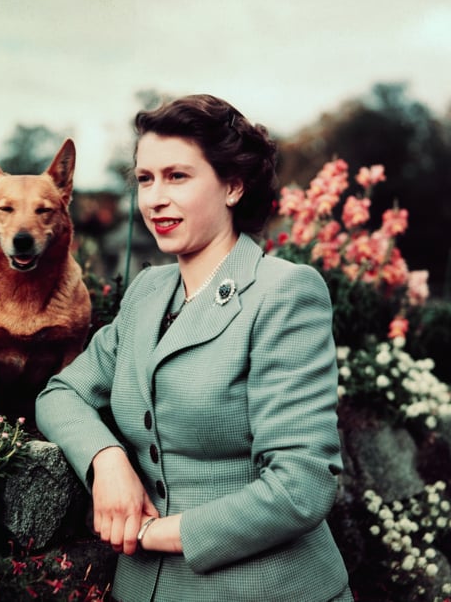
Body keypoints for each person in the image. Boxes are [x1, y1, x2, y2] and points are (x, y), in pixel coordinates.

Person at [35, 94, 352, 601]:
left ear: (232, 185)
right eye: (145, 179)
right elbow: (59, 394)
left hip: (263, 589)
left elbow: (302, 485)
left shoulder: (285, 292)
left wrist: (153, 533)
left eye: (177, 176)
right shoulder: (146, 292)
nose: (155, 198)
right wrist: (107, 459)